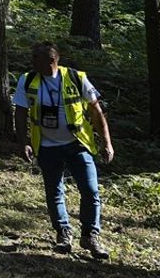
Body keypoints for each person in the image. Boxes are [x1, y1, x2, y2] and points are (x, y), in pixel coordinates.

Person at [13, 42, 114, 260]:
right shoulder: (28, 80)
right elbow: (20, 113)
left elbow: (96, 112)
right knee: (54, 191)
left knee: (91, 190)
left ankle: (90, 235)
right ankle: (63, 232)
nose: (32, 62)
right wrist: (24, 142)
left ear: (51, 61)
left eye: (36, 58)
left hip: (77, 144)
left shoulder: (76, 78)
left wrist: (107, 142)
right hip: (47, 146)